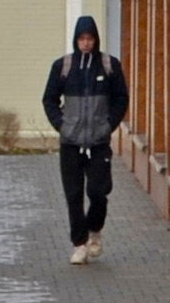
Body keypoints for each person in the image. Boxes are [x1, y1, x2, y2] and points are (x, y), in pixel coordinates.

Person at [42, 15, 130, 264]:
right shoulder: (63, 66)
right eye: (82, 39)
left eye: (90, 38)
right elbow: (49, 100)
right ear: (76, 40)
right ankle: (79, 244)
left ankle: (95, 229)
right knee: (73, 194)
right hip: (71, 143)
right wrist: (62, 126)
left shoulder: (109, 66)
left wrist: (107, 125)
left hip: (99, 142)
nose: (86, 43)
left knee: (98, 191)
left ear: (96, 39)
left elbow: (121, 99)